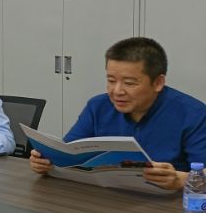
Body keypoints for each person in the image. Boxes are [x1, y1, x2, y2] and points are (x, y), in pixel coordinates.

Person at [30, 37, 206, 191]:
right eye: (111, 80)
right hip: (105, 198)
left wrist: (179, 180)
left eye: (129, 83)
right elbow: (69, 152)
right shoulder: (98, 106)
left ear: (158, 83)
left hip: (166, 207)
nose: (117, 91)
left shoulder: (193, 114)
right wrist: (46, 163)